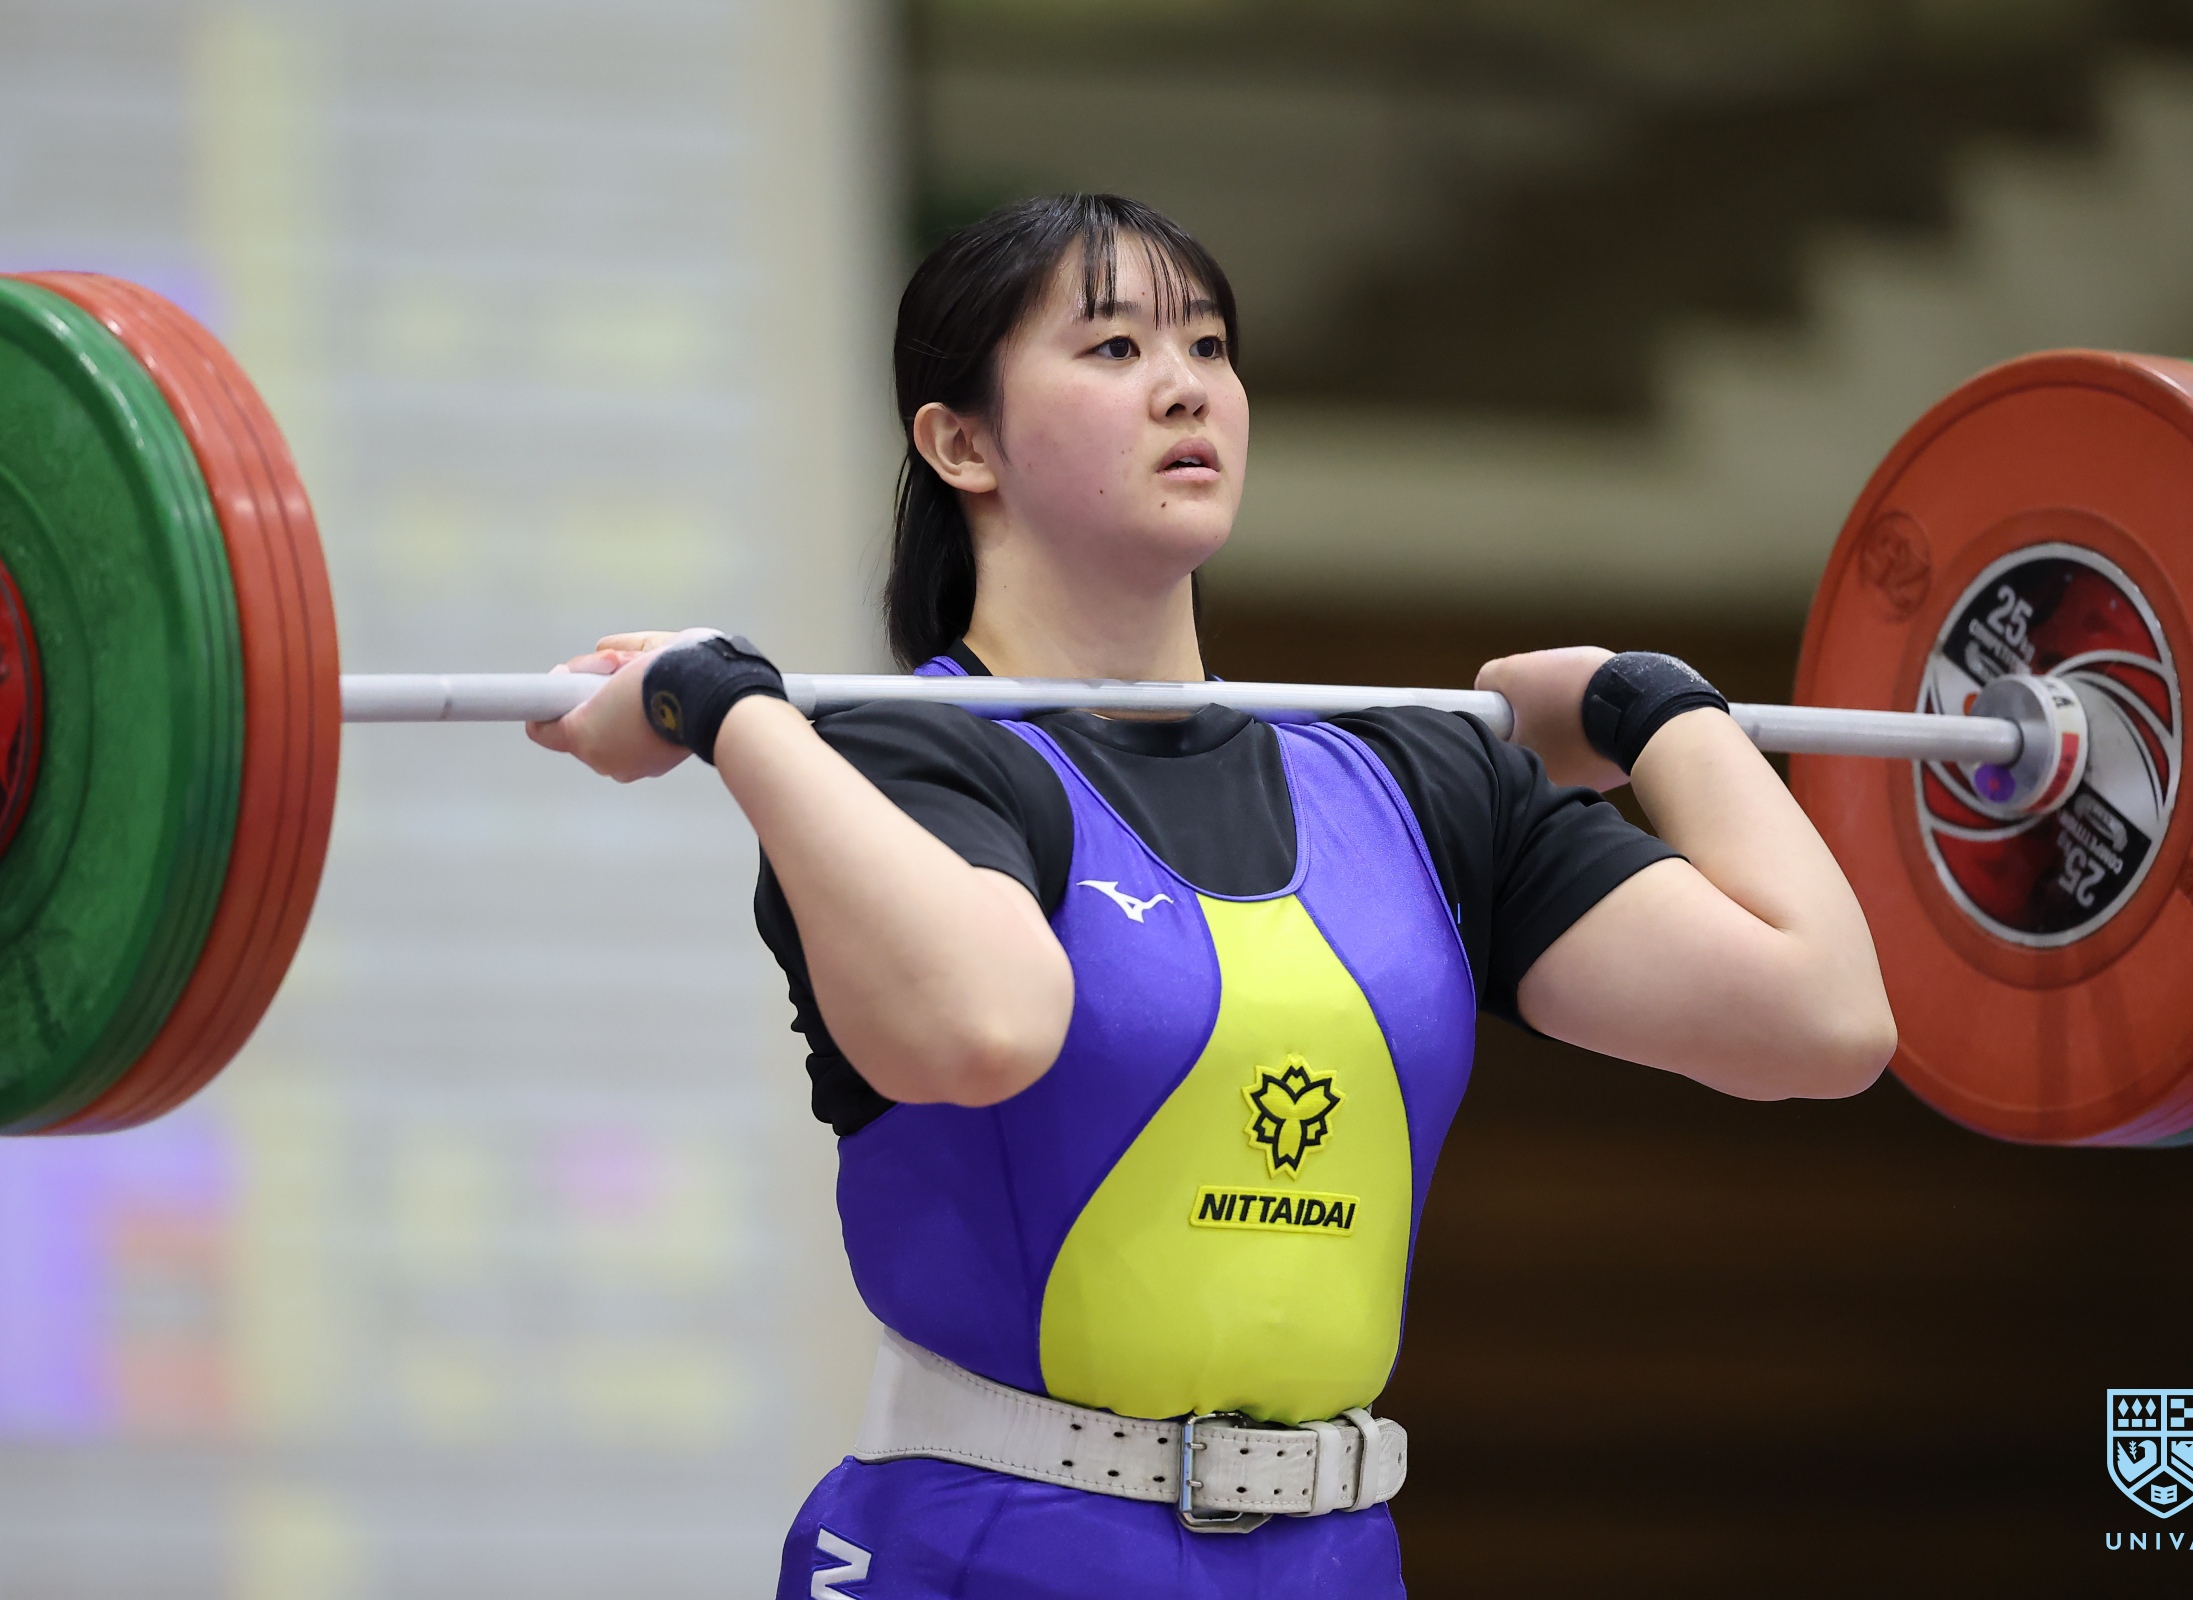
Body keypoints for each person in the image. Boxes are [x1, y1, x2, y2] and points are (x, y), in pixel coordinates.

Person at [528, 194, 1893, 1598]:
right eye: (1114, 348)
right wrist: (733, 712)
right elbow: (982, 1028)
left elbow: (1825, 1021)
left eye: (1210, 345)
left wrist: (1650, 705)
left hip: (1334, 1561)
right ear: (960, 444)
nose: (1186, 386)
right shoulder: (901, 756)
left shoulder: (1418, 782)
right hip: (991, 1552)